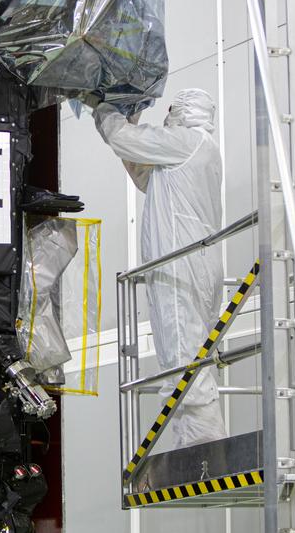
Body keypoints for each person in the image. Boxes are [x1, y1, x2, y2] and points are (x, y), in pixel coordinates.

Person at [90, 88, 226, 448]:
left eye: (170, 112)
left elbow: (124, 139)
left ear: (184, 112)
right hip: (193, 262)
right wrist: (129, 119)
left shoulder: (188, 141)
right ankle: (193, 442)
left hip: (181, 264)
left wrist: (105, 106)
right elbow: (143, 174)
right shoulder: (198, 151)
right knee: (187, 351)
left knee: (183, 348)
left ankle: (204, 448)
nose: (166, 118)